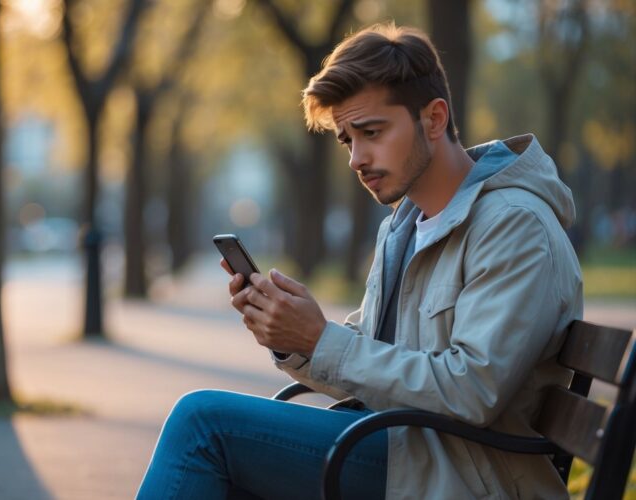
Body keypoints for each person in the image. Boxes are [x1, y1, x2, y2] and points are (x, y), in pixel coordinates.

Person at [137, 22, 582, 499]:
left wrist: (320, 338)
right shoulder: (403, 226)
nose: (356, 159)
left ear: (433, 119)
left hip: (462, 476)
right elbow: (371, 357)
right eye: (348, 140)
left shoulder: (513, 225)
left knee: (204, 424)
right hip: (399, 448)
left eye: (372, 132)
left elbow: (472, 390)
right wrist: (294, 339)